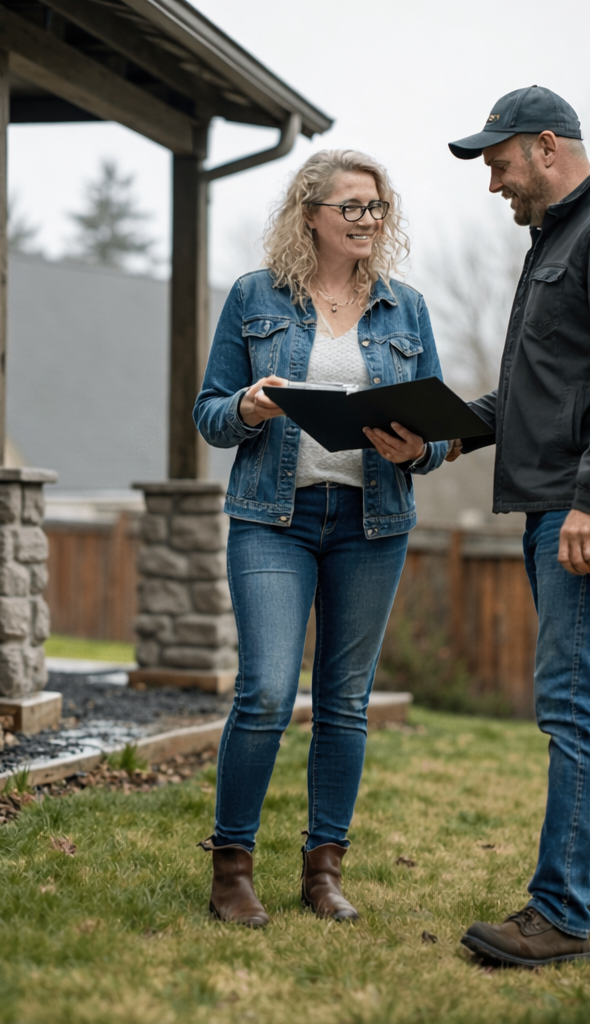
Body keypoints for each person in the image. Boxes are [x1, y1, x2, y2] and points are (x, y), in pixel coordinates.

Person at [444, 86, 590, 966]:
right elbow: (534, 398)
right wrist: (443, 435)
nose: (494, 181)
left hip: (589, 513)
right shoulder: (562, 239)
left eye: (499, 162)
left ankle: (560, 914)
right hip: (567, 501)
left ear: (547, 147)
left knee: (577, 710)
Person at [193, 150, 459, 928]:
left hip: (372, 523)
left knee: (344, 703)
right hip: (273, 519)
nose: (369, 220)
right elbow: (212, 415)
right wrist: (250, 405)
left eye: (377, 207)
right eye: (353, 207)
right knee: (269, 692)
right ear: (310, 214)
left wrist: (422, 449)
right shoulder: (254, 297)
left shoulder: (404, 308)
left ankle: (323, 871)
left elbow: (437, 428)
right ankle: (232, 870)